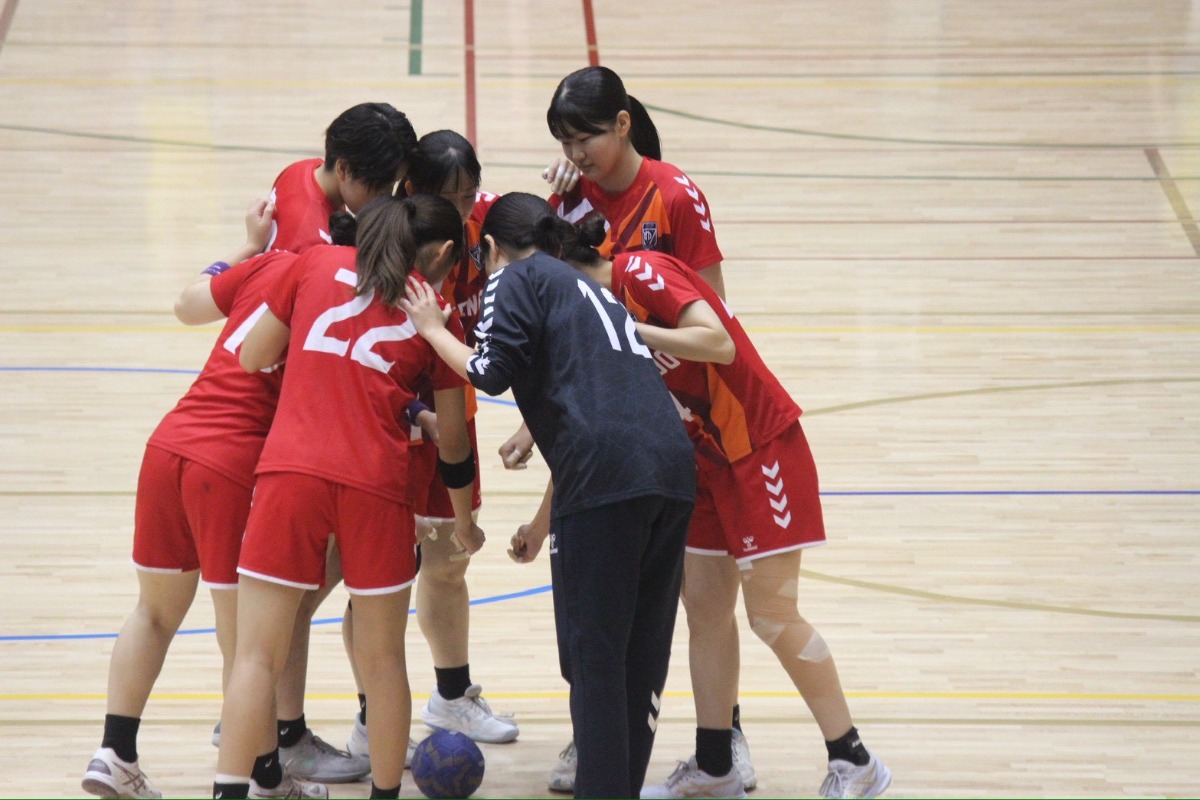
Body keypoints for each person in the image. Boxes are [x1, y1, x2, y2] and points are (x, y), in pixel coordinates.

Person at [555, 214, 892, 799]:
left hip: (758, 449)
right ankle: (716, 766)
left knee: (772, 614)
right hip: (702, 462)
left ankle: (855, 759)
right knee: (705, 610)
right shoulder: (598, 313)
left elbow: (718, 341)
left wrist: (635, 332)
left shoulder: (641, 271)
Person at [400, 192, 696, 799]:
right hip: (670, 467)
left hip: (605, 477)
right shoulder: (588, 288)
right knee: (641, 656)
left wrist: (432, 329)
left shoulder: (515, 277)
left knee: (594, 659)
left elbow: (488, 370)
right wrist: (543, 522)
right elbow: (598, 400)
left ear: (489, 248)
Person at [526, 64, 753, 793]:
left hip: (688, 418)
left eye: (585, 137)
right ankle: (598, 736)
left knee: (698, 594)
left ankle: (725, 737)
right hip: (607, 415)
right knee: (601, 592)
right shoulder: (570, 201)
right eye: (564, 140)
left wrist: (639, 347)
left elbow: (716, 320)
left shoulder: (675, 195)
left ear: (623, 124)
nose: (575, 152)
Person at [213, 194, 483, 800]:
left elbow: (253, 356)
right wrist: (464, 521)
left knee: (255, 655)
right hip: (376, 486)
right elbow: (454, 441)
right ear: (442, 252)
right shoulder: (437, 311)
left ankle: (229, 791)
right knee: (383, 661)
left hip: (290, 472)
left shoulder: (311, 264)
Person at [80, 200, 322, 799]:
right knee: (245, 645)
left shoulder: (266, 263)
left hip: (169, 445)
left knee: (153, 612)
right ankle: (264, 779)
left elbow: (187, 303)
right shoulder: (329, 289)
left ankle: (114, 752)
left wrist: (248, 245)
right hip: (230, 462)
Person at [210, 102, 420, 786]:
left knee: (256, 650)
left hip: (291, 455)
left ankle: (244, 768)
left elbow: (241, 342)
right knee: (381, 657)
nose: (389, 193)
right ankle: (304, 748)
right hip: (355, 466)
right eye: (385, 182)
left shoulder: (303, 198)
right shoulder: (403, 290)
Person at [341, 131, 517, 769]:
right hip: (385, 429)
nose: (465, 209)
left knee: (448, 563)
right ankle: (370, 716)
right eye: (452, 197)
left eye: (471, 194)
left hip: (450, 416)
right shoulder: (383, 241)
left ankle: (451, 695)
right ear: (413, 191)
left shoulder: (483, 226)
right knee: (373, 586)